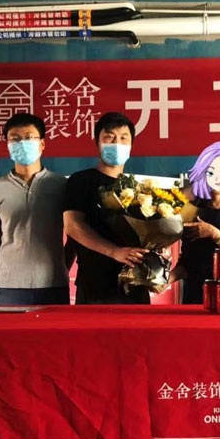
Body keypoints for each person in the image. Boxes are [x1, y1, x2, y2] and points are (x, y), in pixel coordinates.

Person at [0, 113, 69, 308]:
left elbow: (74, 236)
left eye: (29, 138)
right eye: (15, 139)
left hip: (54, 285)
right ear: (7, 145)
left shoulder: (62, 185)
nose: (22, 143)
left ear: (42, 144)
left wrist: (61, 267)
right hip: (8, 287)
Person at [64, 112, 149, 304]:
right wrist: (114, 252)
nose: (117, 143)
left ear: (131, 145)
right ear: (97, 142)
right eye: (109, 137)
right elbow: (73, 226)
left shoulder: (139, 189)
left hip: (135, 285)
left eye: (123, 138)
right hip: (95, 285)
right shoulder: (81, 180)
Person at [170, 141, 220, 304]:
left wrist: (215, 234)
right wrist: (166, 279)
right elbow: (187, 262)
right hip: (195, 295)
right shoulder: (192, 212)